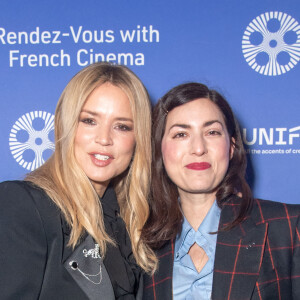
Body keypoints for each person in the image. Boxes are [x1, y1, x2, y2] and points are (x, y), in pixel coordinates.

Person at [0, 62, 157, 300]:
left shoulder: (131, 226)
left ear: (138, 140)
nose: (104, 139)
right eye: (89, 121)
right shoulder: (24, 206)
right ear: (65, 123)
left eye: (122, 126)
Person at [142, 82, 300, 300]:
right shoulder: (143, 244)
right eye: (181, 134)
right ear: (159, 149)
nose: (198, 148)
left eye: (212, 132)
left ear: (232, 146)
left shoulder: (286, 227)